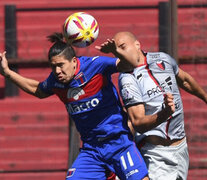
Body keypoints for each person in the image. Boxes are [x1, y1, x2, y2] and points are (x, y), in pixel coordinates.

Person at [1, 32, 155, 180]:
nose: (57, 71)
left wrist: (116, 52)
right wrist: (7, 73)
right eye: (53, 66)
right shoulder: (55, 80)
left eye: (61, 65)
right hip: (92, 150)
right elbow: (37, 90)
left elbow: (132, 64)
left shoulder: (96, 65)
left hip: (118, 143)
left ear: (74, 61)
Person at [96, 31, 207, 180]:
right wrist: (165, 113)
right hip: (157, 154)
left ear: (137, 44)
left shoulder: (162, 58)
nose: (119, 53)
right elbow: (139, 123)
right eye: (116, 51)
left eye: (122, 47)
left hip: (181, 148)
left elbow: (185, 80)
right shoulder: (127, 78)